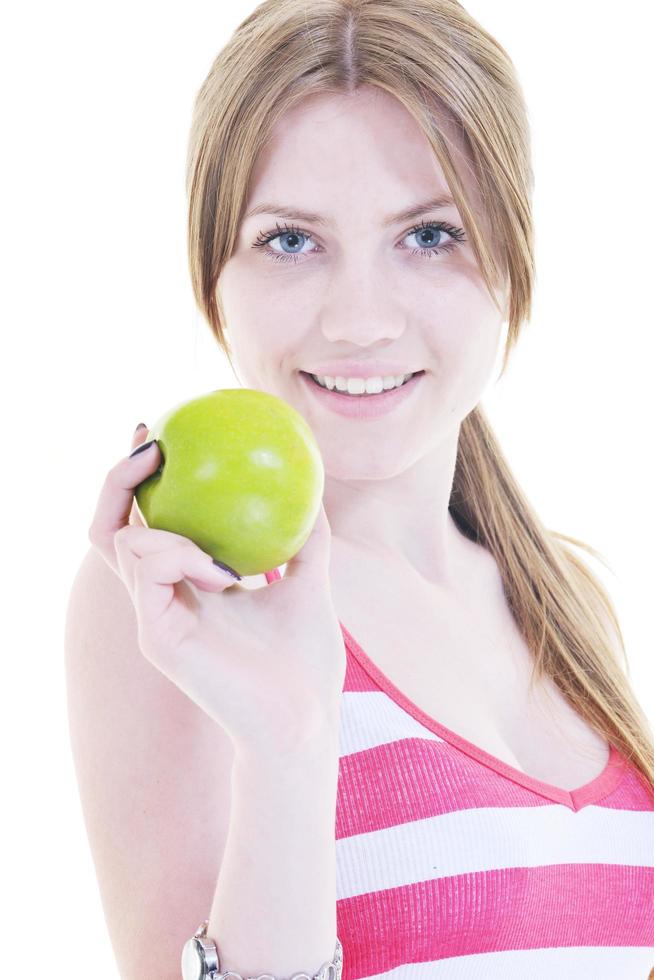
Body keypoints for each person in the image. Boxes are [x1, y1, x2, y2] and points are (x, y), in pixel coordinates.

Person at [65, 0, 654, 977]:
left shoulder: (565, 600)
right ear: (214, 274)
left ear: (515, 253)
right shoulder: (176, 605)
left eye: (428, 235)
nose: (360, 322)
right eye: (292, 240)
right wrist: (289, 743)